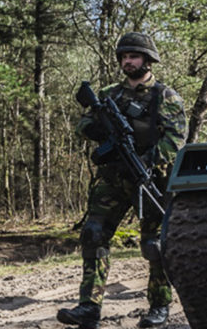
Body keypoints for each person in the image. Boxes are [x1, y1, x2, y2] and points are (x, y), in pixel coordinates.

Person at [58, 32, 187, 329]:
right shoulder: (109, 94)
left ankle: (159, 306)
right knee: (93, 235)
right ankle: (89, 307)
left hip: (151, 178)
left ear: (147, 60)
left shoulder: (166, 96)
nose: (128, 62)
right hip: (113, 177)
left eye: (134, 56)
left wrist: (146, 160)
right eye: (124, 57)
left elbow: (176, 140)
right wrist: (100, 131)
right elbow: (84, 124)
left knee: (154, 244)